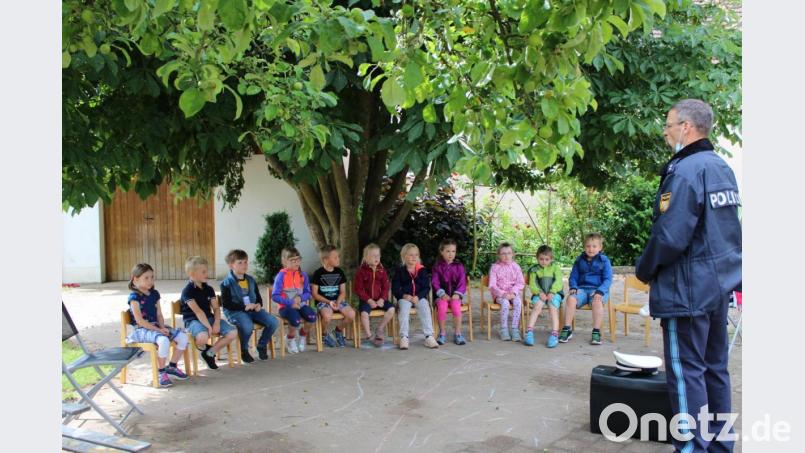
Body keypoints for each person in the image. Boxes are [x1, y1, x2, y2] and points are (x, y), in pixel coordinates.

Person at [636, 99, 741, 452]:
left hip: (686, 293)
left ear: (686, 127)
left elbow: (670, 236)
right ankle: (720, 446)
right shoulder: (721, 168)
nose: (665, 133)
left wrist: (644, 269)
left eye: (668, 125)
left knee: (686, 375)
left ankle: (693, 448)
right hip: (716, 291)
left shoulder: (684, 171)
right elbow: (729, 235)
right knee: (715, 370)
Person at [126, 263, 189, 387]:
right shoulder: (134, 297)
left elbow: (159, 314)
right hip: (142, 330)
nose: (150, 281)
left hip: (156, 327)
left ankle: (172, 366)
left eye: (152, 277)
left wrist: (162, 327)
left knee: (183, 338)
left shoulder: (154, 294)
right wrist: (158, 331)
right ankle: (161, 372)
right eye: (146, 278)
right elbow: (140, 321)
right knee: (164, 341)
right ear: (135, 279)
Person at [220, 249, 280, 362]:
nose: (244, 265)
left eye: (246, 262)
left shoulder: (251, 280)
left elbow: (258, 297)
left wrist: (258, 304)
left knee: (273, 322)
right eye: (240, 262)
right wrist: (244, 308)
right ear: (231, 265)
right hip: (236, 312)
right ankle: (244, 350)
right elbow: (227, 304)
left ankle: (261, 345)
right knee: (247, 326)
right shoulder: (226, 283)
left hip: (253, 310)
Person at [180, 257, 238, 371]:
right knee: (203, 336)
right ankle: (203, 347)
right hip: (193, 320)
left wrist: (216, 322)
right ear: (192, 274)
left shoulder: (209, 289)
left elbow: (216, 308)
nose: (207, 274)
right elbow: (198, 311)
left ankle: (209, 353)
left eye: (207, 270)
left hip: (209, 318)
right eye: (203, 272)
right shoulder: (187, 291)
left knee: (232, 332)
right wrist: (207, 326)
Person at [560, 233, 613, 345]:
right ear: (584, 247)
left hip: (598, 289)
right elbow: (573, 276)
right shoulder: (579, 260)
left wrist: (600, 291)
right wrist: (573, 286)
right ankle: (567, 329)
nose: (591, 249)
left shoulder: (604, 260)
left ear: (600, 247)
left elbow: (608, 279)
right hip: (582, 289)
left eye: (594, 246)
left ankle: (596, 332)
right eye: (588, 246)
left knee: (597, 301)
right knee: (570, 299)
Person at [391, 243, 439, 350]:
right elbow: (395, 288)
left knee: (425, 307)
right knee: (404, 309)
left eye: (416, 255)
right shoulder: (400, 271)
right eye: (411, 255)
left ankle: (429, 336)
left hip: (419, 297)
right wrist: (403, 295)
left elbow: (426, 287)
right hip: (405, 298)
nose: (414, 257)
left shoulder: (422, 270)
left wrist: (418, 296)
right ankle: (404, 337)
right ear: (404, 256)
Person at [271, 247, 316, 354]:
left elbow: (308, 293)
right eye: (292, 260)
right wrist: (291, 303)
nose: (296, 262)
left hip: (301, 305)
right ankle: (290, 339)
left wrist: (300, 298)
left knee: (312, 317)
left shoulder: (303, 275)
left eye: (298, 259)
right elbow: (275, 296)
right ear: (284, 261)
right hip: (285, 307)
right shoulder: (281, 276)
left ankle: (302, 335)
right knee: (295, 320)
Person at [311, 245, 356, 348]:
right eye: (335, 257)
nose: (338, 259)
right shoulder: (318, 274)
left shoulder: (339, 272)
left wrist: (338, 302)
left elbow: (343, 292)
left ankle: (338, 331)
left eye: (338, 257)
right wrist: (329, 302)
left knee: (351, 314)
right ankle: (324, 334)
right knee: (327, 317)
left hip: (338, 300)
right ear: (326, 260)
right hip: (323, 302)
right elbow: (315, 294)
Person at [354, 243, 395, 347]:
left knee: (392, 309)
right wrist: (368, 300)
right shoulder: (361, 271)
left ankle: (380, 328)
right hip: (366, 300)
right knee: (364, 314)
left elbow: (386, 287)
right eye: (373, 256)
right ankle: (369, 335)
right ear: (366, 258)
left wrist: (382, 299)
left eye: (378, 255)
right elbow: (358, 289)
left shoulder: (382, 270)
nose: (376, 258)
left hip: (380, 299)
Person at [524, 245, 563, 348]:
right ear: (537, 258)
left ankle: (554, 334)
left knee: (552, 307)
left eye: (547, 259)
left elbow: (559, 282)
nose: (544, 262)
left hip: (554, 293)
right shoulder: (534, 270)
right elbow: (533, 284)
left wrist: (552, 292)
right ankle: (529, 331)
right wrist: (539, 292)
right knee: (537, 306)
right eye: (541, 259)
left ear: (551, 259)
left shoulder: (555, 268)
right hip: (539, 294)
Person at [430, 238, 468, 345]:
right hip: (441, 296)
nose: (451, 254)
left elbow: (462, 282)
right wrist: (442, 294)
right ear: (441, 252)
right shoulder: (437, 267)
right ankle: (442, 333)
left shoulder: (459, 266)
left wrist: (457, 294)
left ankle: (458, 333)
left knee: (456, 307)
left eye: (453, 251)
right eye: (447, 251)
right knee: (442, 307)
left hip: (455, 296)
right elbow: (435, 282)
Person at [488, 242, 525, 342]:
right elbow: (492, 285)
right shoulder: (495, 268)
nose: (506, 256)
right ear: (499, 255)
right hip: (500, 295)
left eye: (509, 253)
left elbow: (520, 282)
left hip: (513, 293)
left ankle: (514, 329)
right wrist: (503, 294)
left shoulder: (516, 267)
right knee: (505, 303)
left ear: (512, 254)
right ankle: (504, 329)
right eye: (503, 253)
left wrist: (513, 293)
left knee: (518, 302)